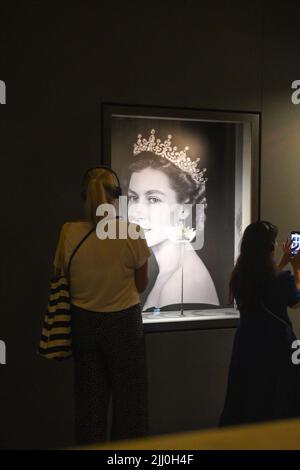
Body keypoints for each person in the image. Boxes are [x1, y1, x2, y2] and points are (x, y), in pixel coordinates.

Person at [53, 167, 151, 445]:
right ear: (117, 198)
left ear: (85, 196)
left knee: (89, 406)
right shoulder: (132, 232)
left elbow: (64, 276)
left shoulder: (68, 232)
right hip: (124, 326)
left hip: (83, 323)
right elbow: (141, 285)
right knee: (131, 406)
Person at [127, 130, 219, 311]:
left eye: (153, 199)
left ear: (183, 210)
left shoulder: (180, 284)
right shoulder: (170, 272)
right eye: (133, 197)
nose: (137, 212)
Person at [220, 220, 300, 426]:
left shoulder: (239, 275)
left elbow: (265, 283)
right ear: (270, 247)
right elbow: (295, 301)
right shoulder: (282, 279)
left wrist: (282, 262)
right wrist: (297, 267)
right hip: (277, 345)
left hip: (246, 343)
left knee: (246, 395)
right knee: (277, 396)